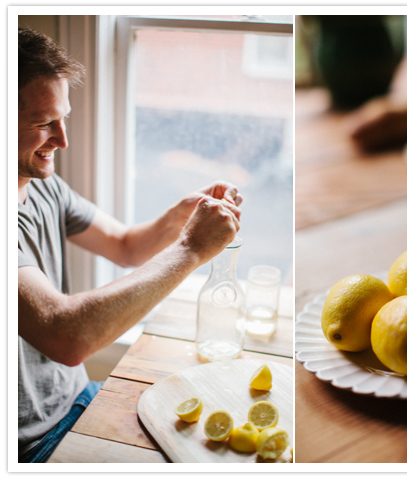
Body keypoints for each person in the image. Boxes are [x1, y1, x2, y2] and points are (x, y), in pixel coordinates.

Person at [17, 27, 243, 463]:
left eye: (63, 118)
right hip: (29, 446)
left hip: (79, 398)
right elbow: (67, 336)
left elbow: (124, 245)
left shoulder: (39, 184)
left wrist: (181, 217)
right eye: (43, 124)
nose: (63, 140)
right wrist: (192, 250)